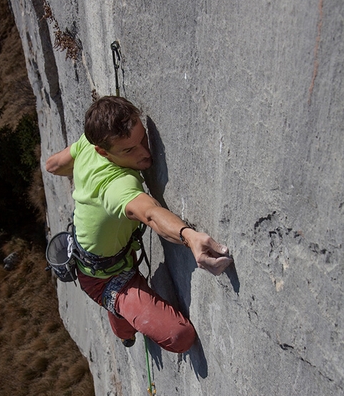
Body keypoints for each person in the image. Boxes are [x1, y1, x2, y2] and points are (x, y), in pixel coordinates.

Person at [46, 96, 232, 354]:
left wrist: (82, 172)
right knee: (180, 337)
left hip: (103, 250)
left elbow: (52, 165)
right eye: (129, 150)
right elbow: (152, 214)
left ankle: (125, 314)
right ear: (103, 151)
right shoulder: (116, 188)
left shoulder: (88, 143)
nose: (144, 153)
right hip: (102, 279)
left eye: (142, 139)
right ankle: (121, 322)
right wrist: (190, 237)